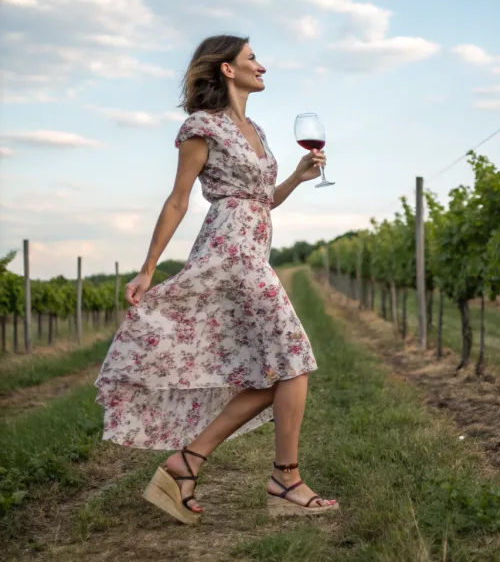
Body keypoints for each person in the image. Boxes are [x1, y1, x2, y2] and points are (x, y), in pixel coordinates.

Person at [93, 34, 339, 524]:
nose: (261, 66)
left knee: (275, 370)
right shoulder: (201, 126)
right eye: (252, 59)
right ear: (228, 69)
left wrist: (295, 177)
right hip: (230, 253)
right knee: (293, 357)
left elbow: (261, 199)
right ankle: (284, 480)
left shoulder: (257, 129)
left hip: (254, 250)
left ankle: (187, 462)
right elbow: (179, 200)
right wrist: (147, 268)